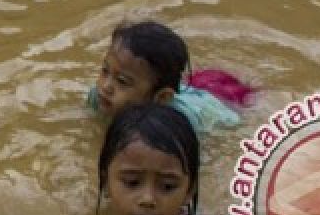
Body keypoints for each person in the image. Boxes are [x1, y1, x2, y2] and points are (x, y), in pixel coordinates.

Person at [87, 20, 255, 135]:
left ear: (161, 98)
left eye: (122, 81)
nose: (106, 86)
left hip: (215, 108)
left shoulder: (174, 127)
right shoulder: (99, 97)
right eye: (105, 71)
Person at [97, 103, 212, 215]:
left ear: (189, 190)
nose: (147, 199)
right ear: (106, 181)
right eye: (132, 182)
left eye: (167, 186)